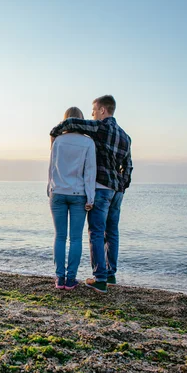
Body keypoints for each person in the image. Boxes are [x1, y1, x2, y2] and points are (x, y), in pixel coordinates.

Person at [50, 95, 132, 293]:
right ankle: (110, 273)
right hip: (116, 191)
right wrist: (121, 186)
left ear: (103, 110)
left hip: (101, 188)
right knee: (111, 232)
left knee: (95, 232)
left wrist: (54, 132)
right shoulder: (125, 136)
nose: (93, 114)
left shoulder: (99, 128)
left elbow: (73, 123)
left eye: (94, 110)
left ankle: (100, 279)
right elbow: (128, 167)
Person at [48, 107, 96, 291]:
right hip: (78, 194)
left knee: (60, 237)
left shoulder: (58, 141)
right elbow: (90, 172)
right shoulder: (88, 143)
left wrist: (50, 189)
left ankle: (59, 279)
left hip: (58, 193)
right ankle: (71, 279)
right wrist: (90, 197)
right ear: (82, 120)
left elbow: (52, 168)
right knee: (75, 238)